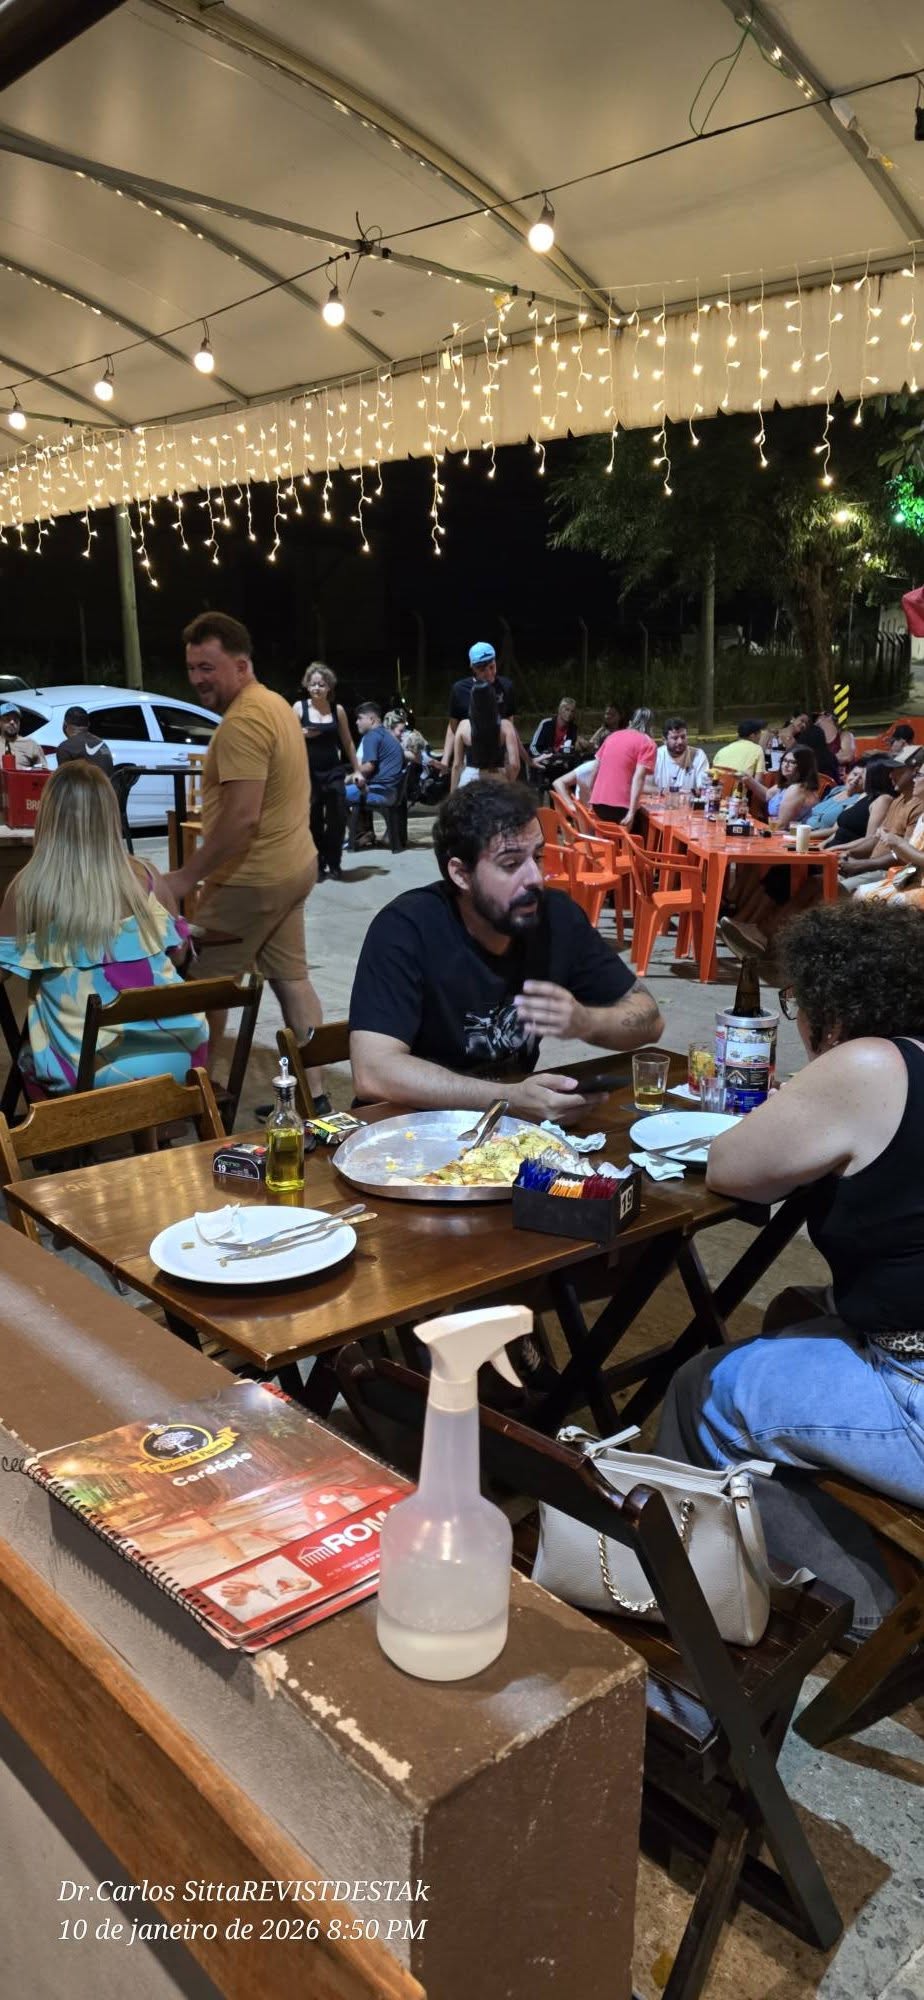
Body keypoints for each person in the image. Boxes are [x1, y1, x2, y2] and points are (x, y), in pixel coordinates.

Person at [656, 899, 924, 1634]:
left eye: (796, 1002)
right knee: (795, 1311)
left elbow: (730, 1167)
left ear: (831, 1007)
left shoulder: (869, 1063)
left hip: (916, 1386)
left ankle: (853, 1612)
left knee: (702, 1387)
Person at [349, 780, 663, 1114]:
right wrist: (508, 1098)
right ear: (461, 874)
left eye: (538, 857)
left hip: (508, 1133)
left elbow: (651, 1019)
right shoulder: (406, 928)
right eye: (511, 864)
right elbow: (373, 1072)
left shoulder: (555, 918)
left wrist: (587, 1021)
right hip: (408, 1129)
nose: (535, 878)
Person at [160, 612, 328, 1105]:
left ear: (240, 664)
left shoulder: (243, 723)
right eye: (192, 668)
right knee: (292, 980)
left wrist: (184, 878)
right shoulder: (275, 705)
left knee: (199, 984)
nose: (197, 679)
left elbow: (241, 819)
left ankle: (194, 1097)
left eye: (207, 668)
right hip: (292, 869)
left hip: (251, 880)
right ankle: (317, 1100)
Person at [0, 761, 206, 1094]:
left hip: (87, 1072)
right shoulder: (147, 877)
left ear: (48, 817)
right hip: (179, 1057)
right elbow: (180, 956)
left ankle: (61, 1125)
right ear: (110, 816)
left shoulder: (29, 890)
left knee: (29, 1054)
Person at [292, 664, 361, 882]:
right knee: (313, 820)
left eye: (321, 685)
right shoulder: (299, 708)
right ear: (307, 685)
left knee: (337, 818)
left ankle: (334, 862)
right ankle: (318, 865)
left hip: (333, 770)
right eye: (313, 684)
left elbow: (348, 741)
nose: (317, 688)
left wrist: (357, 770)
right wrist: (302, 733)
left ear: (329, 687)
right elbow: (287, 737)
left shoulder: (337, 710)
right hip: (308, 772)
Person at [838, 749, 923, 890]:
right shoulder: (898, 799)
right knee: (815, 883)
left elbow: (906, 857)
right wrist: (850, 852)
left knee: (832, 889)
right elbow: (876, 839)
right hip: (871, 868)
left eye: (897, 770)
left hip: (891, 874)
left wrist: (862, 865)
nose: (890, 775)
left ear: (915, 771)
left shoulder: (919, 807)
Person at [854, 760, 924, 906]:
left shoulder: (916, 808)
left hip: (918, 885)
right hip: (910, 878)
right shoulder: (917, 813)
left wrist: (898, 842)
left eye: (919, 775)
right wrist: (892, 843)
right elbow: (909, 857)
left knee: (869, 899)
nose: (914, 780)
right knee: (860, 893)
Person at [589, 706, 657, 827]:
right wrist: (631, 812)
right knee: (643, 826)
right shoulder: (648, 743)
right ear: (651, 726)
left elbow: (595, 769)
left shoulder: (613, 736)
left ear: (632, 721)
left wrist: (591, 797)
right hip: (621, 808)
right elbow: (639, 778)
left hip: (598, 804)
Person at [808, 755, 896, 847]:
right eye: (855, 774)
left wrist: (836, 848)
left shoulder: (883, 799)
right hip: (828, 845)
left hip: (844, 851)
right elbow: (840, 830)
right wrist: (822, 846)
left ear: (875, 776)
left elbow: (870, 839)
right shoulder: (863, 795)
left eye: (863, 775)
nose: (857, 779)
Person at [451, 682, 520, 792]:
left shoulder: (463, 725)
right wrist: (508, 784)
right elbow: (515, 765)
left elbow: (457, 765)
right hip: (497, 777)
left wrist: (452, 794)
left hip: (470, 780)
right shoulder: (506, 726)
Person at [743, 745, 820, 830]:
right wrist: (748, 779)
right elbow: (767, 795)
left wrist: (754, 828)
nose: (786, 765)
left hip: (790, 836)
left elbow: (782, 825)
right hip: (778, 832)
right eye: (784, 760)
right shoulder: (790, 782)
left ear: (804, 766)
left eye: (792, 762)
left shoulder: (797, 789)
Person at [345, 703, 406, 810]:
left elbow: (368, 767)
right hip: (390, 793)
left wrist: (348, 776)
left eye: (360, 718)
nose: (356, 722)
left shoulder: (371, 736)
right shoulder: (387, 735)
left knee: (333, 793)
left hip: (378, 793)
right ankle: (355, 821)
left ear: (371, 720)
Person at [448, 642, 516, 728]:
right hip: (470, 732)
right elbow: (454, 724)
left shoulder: (506, 686)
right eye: (482, 670)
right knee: (463, 724)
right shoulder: (459, 689)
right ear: (473, 668)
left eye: (492, 667)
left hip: (498, 731)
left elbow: (509, 720)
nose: (489, 674)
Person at [652, 717, 710, 796]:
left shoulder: (698, 755)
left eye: (683, 737)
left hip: (688, 801)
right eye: (675, 738)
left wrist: (690, 792)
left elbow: (704, 787)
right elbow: (643, 786)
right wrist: (662, 791)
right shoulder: (655, 756)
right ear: (664, 740)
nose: (680, 742)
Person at [54, 704, 115, 780]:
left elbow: (64, 781)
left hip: (87, 787)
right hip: (106, 787)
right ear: (88, 724)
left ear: (65, 724)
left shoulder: (65, 747)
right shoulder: (101, 743)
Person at [529, 699, 578, 783]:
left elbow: (569, 749)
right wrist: (541, 756)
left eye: (572, 711)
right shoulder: (546, 724)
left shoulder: (573, 728)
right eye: (567, 709)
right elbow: (533, 746)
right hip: (542, 761)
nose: (569, 713)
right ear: (559, 710)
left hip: (560, 763)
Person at [0, 701, 47, 770]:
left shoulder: (31, 744)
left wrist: (26, 769)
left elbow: (43, 769)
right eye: (7, 719)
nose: (12, 722)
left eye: (16, 719)